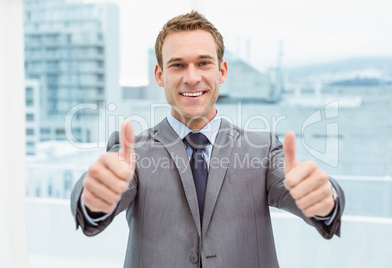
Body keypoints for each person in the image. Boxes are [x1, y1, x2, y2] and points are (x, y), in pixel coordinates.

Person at [71, 11, 345, 268]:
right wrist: (93, 201)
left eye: (203, 63)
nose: (192, 78)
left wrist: (324, 201)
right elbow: (99, 202)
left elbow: (300, 190)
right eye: (177, 65)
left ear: (222, 71)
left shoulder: (263, 148)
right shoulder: (133, 151)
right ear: (159, 75)